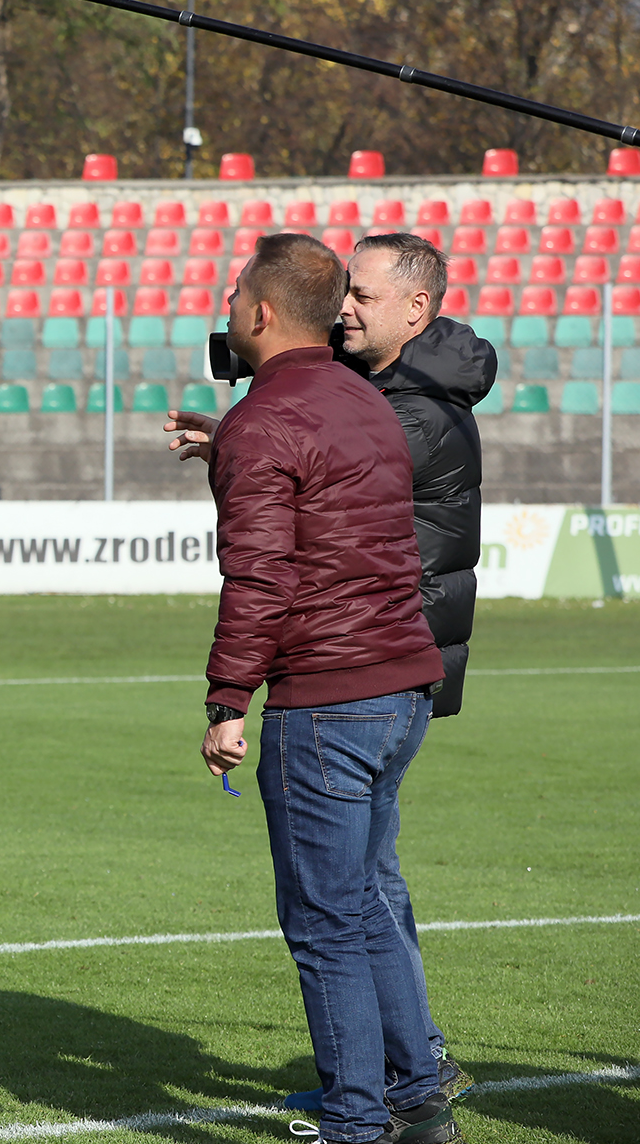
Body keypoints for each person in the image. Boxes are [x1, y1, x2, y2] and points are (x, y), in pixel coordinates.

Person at [169, 232, 493, 1112]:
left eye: (235, 292)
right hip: (401, 679)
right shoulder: (364, 400)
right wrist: (236, 444)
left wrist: (227, 698)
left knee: (326, 920)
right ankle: (416, 1096)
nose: (226, 307)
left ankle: (357, 1116)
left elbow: (262, 574)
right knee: (365, 899)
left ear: (263, 311)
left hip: (331, 692)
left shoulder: (278, 417)